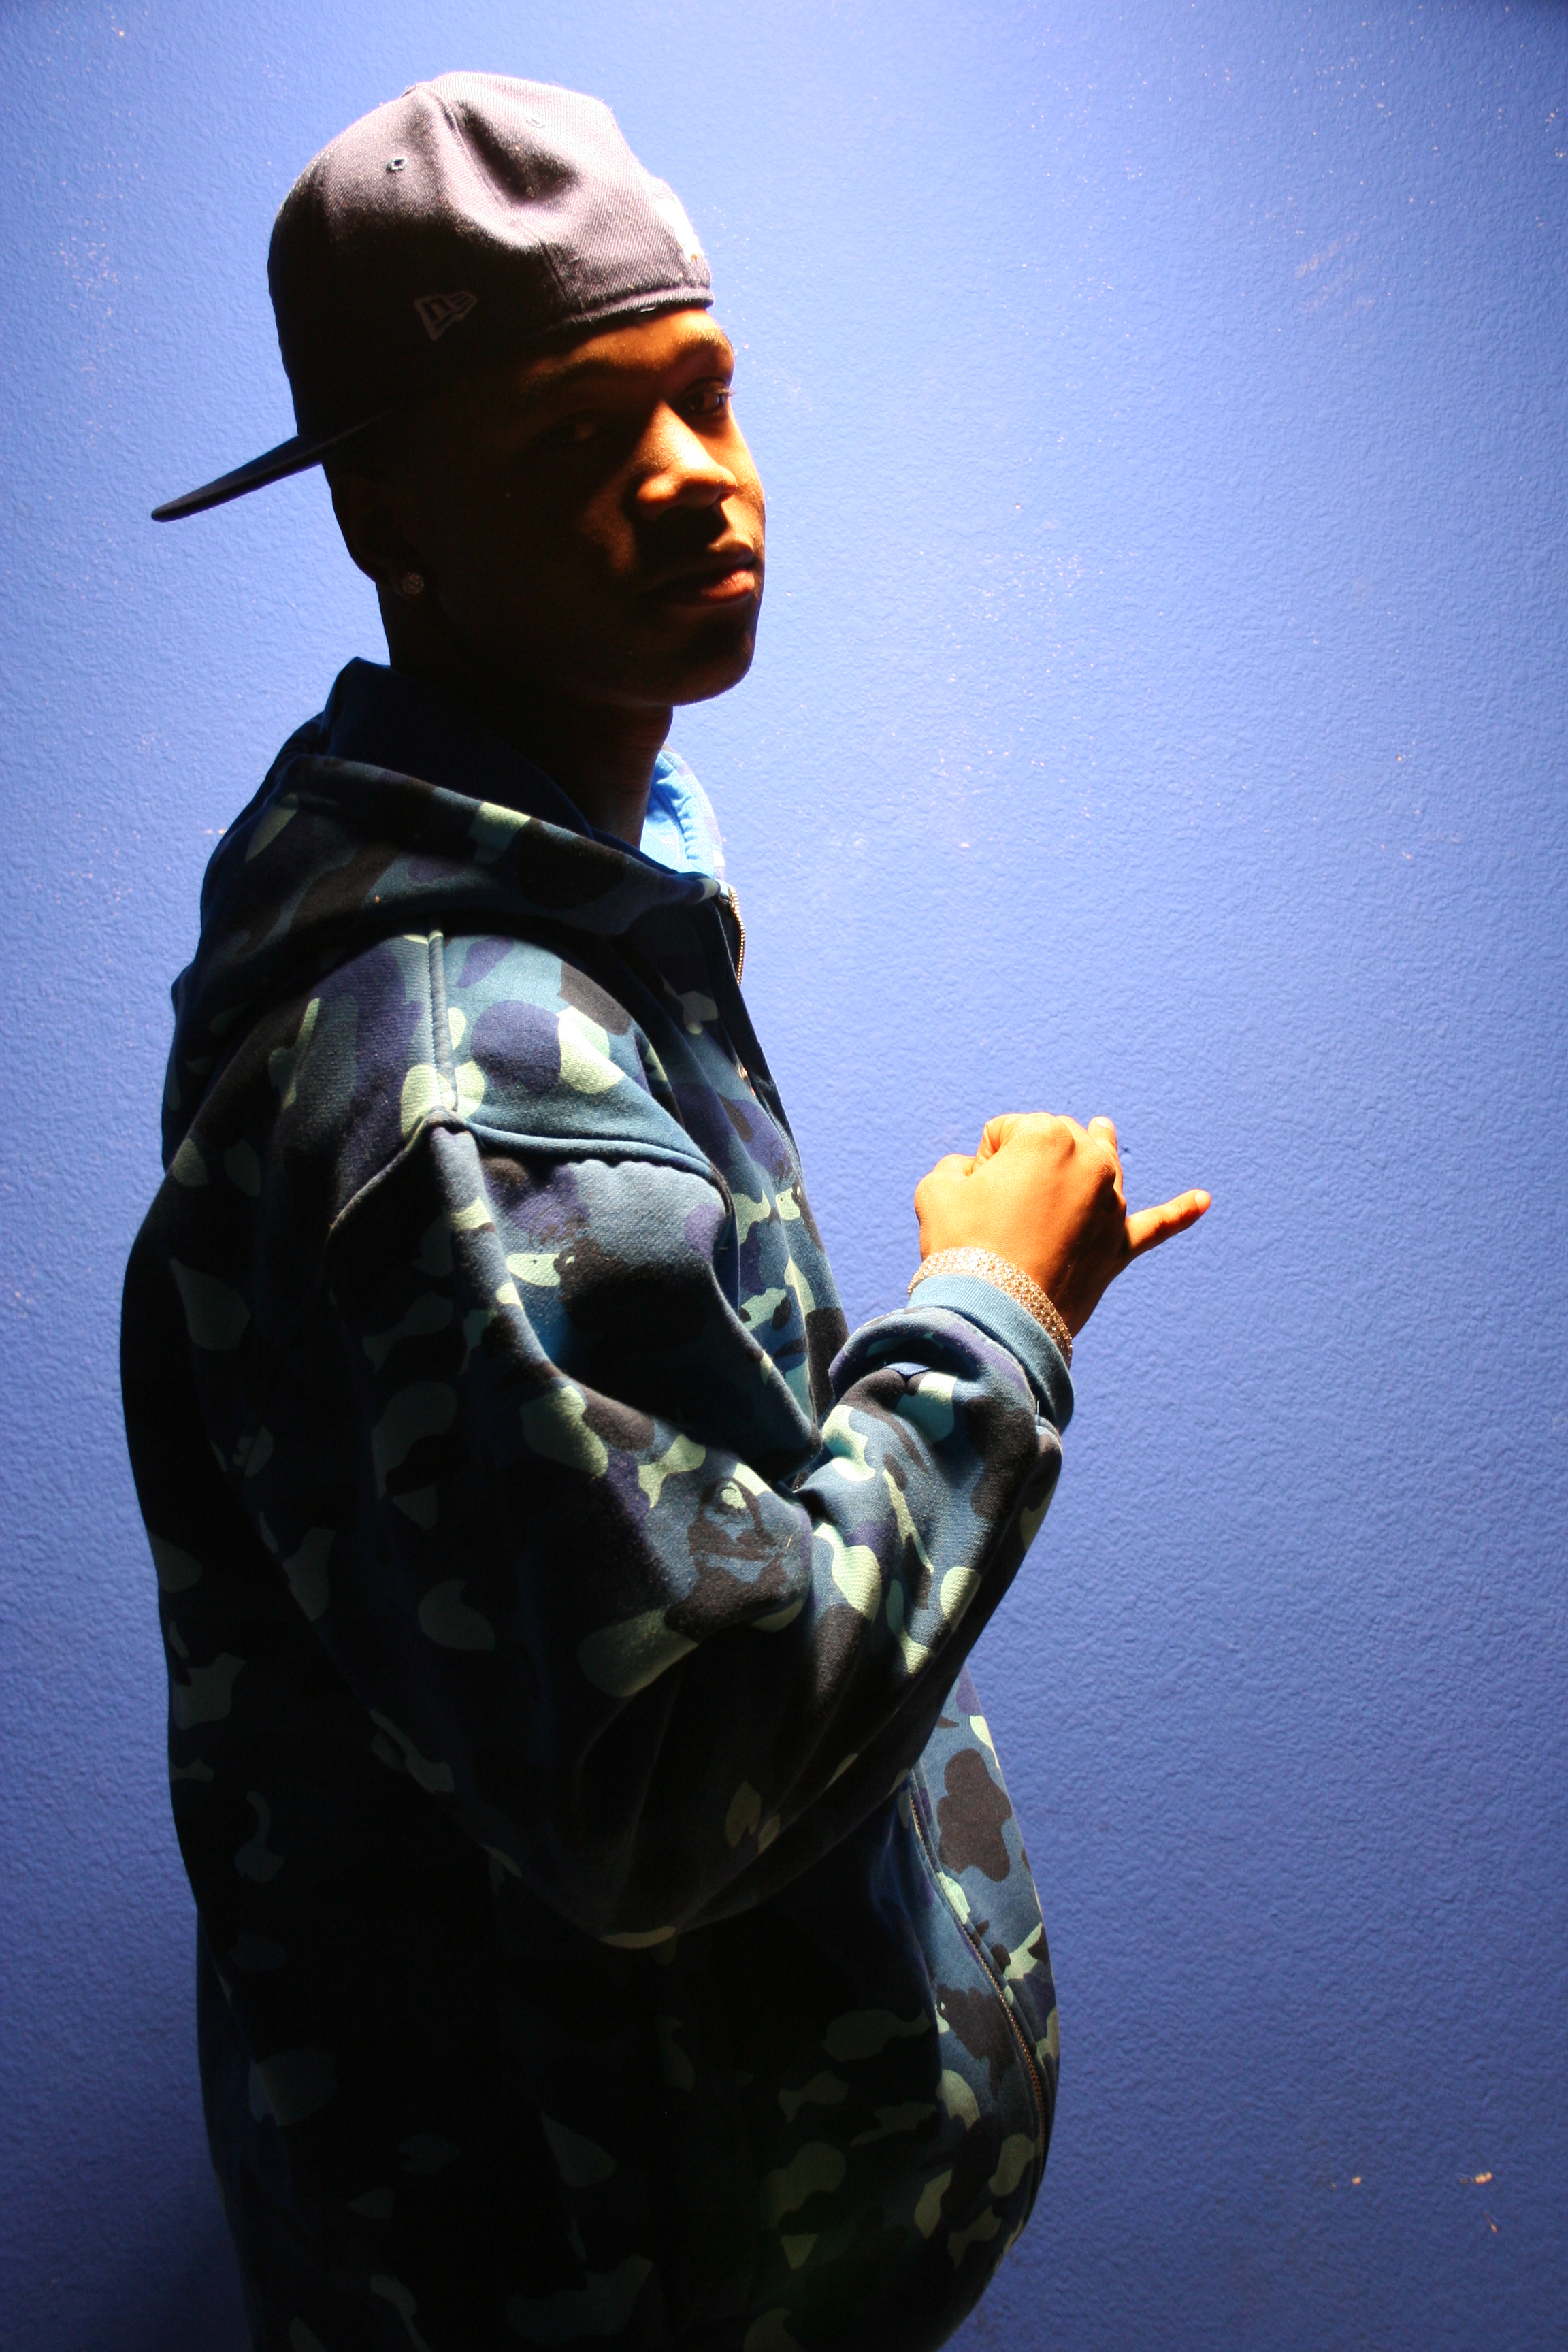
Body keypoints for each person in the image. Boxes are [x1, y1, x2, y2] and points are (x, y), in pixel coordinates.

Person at [121, 74, 1209, 2352]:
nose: (693, 473)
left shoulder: (580, 910)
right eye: (570, 441)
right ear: (391, 520)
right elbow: (675, 1776)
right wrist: (993, 1317)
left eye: (703, 392)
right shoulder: (461, 1076)